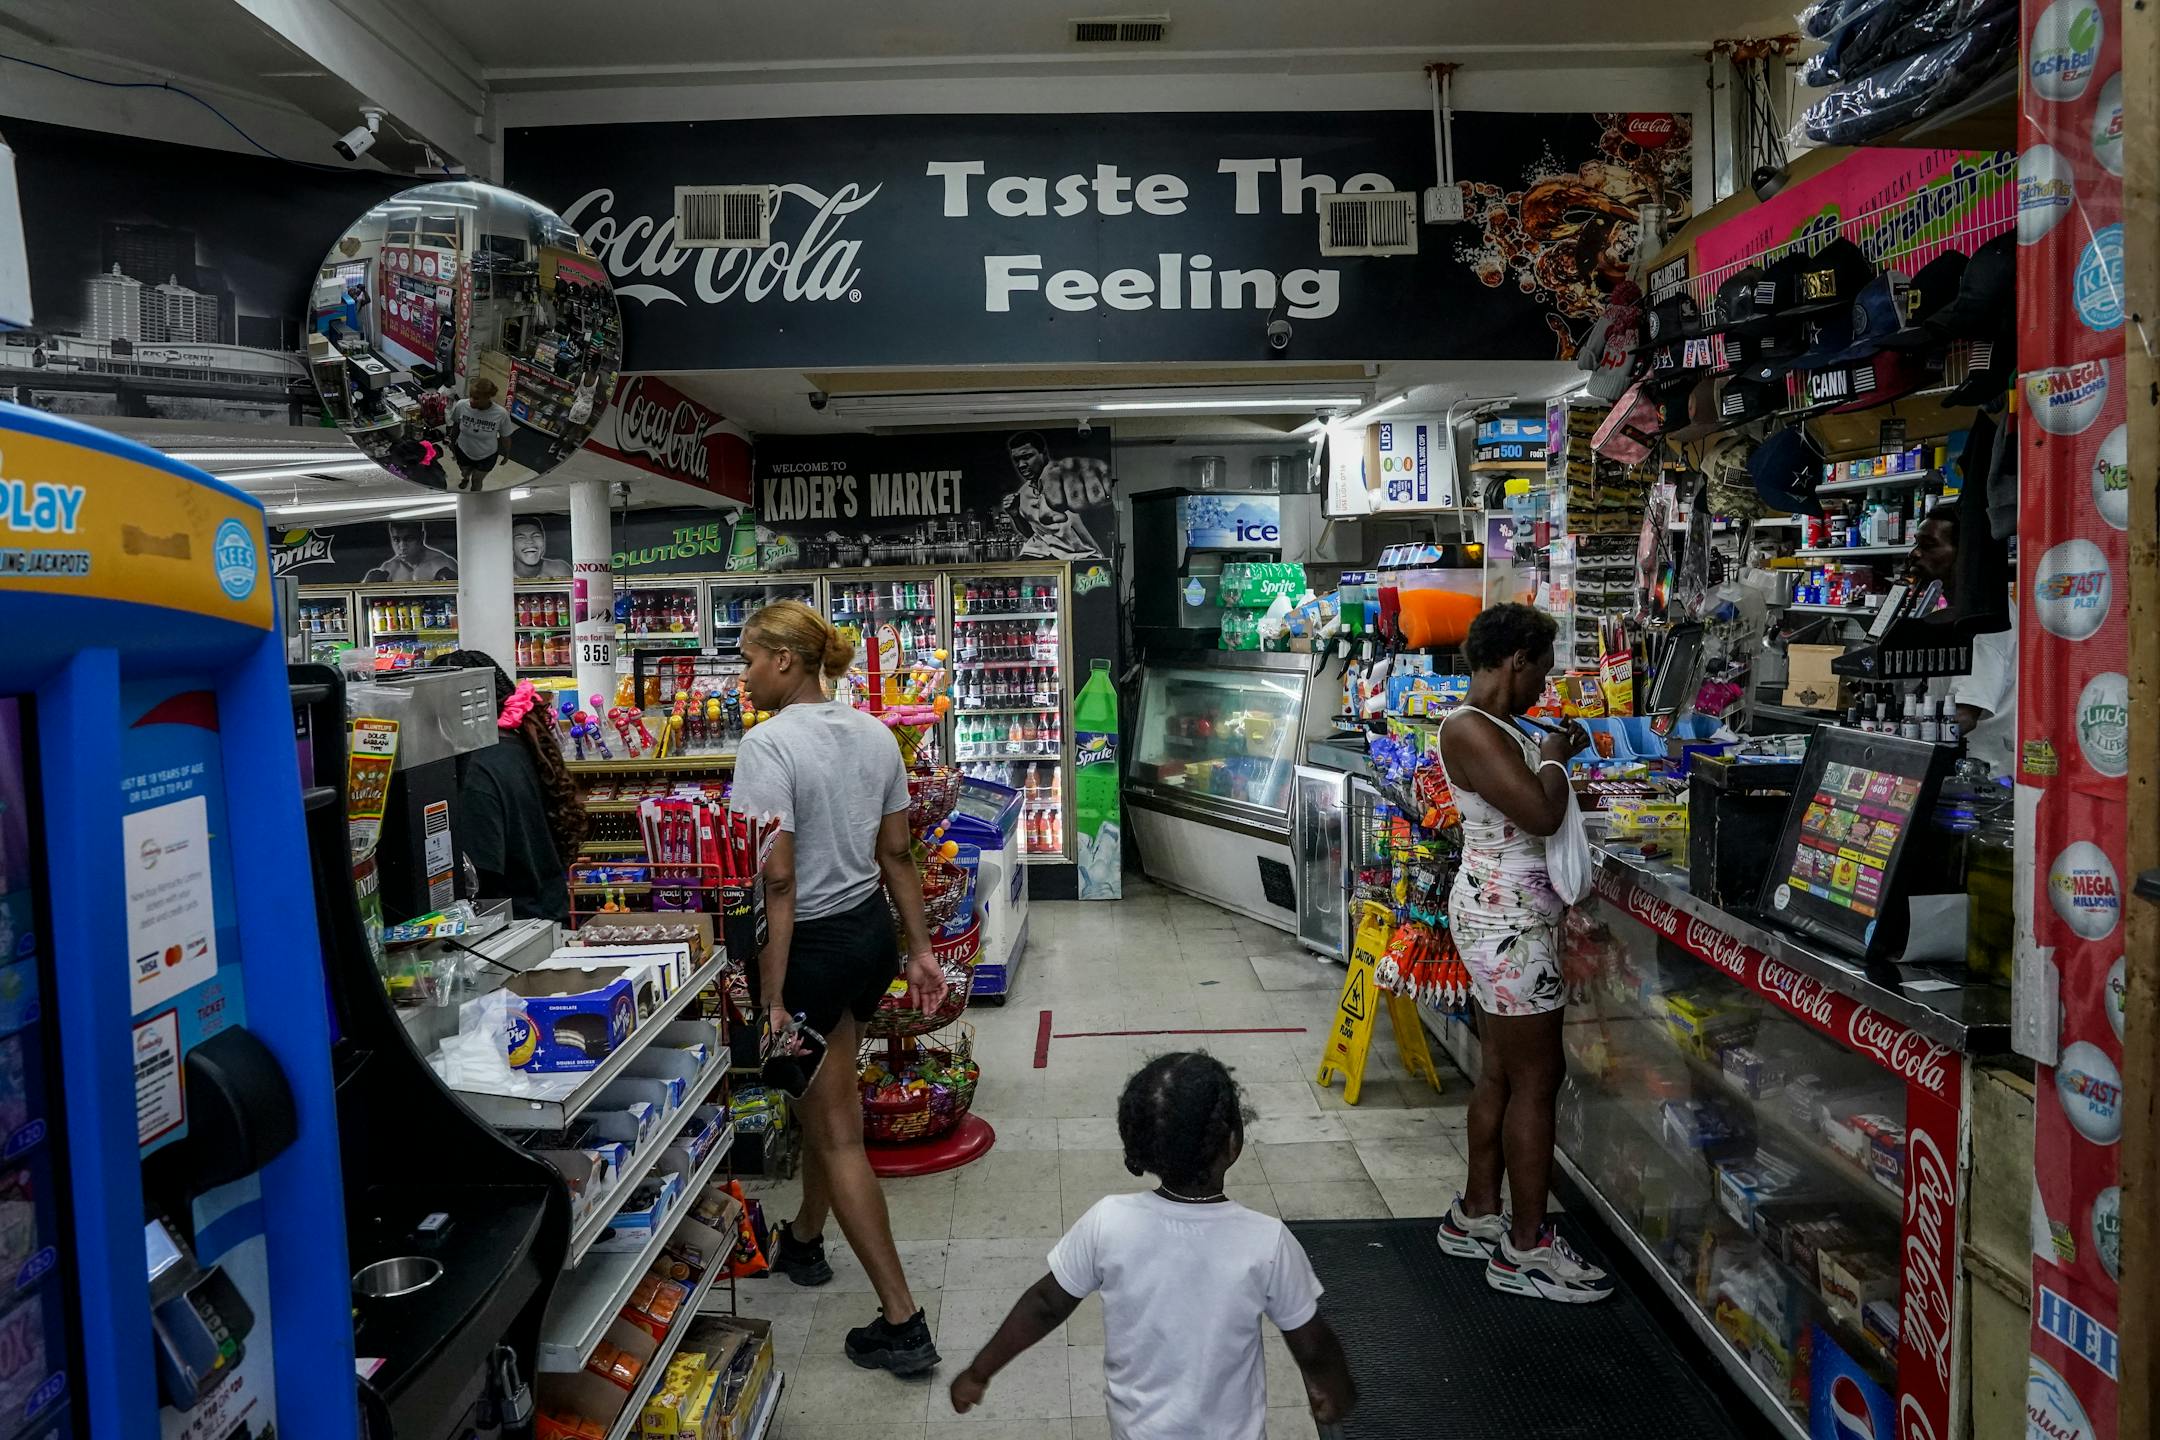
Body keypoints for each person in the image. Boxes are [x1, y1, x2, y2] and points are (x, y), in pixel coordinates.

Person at [726, 600, 948, 1375]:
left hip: (810, 948)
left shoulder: (767, 746)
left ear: (785, 660)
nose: (743, 675)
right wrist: (921, 951)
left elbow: (778, 881)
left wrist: (771, 997)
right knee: (830, 1099)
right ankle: (806, 1239)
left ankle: (903, 1322)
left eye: (749, 659)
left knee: (836, 1132)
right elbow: (897, 855)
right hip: (867, 936)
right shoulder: (874, 733)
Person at [950, 1053, 1355, 1436]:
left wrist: (979, 1372)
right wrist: (1336, 1389)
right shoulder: (1267, 1241)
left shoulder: (1109, 1221)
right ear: (1232, 1142)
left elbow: (1045, 1304)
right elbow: (1313, 1345)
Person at [1431, 602, 1612, 1303]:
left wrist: (1550, 753)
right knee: (1537, 1079)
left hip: (1502, 916)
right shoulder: (1471, 729)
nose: (1544, 683)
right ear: (1517, 661)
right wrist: (1557, 759)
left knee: (1503, 1073)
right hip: (1507, 925)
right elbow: (1540, 812)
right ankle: (1527, 1249)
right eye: (1542, 669)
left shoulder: (1494, 726)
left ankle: (1478, 1212)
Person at [432, 651, 583, 924]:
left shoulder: (476, 770)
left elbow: (479, 878)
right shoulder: (520, 744)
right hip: (547, 914)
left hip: (513, 926)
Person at [1908, 502, 2017, 776]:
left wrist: (1901, 746)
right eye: (1916, 543)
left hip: (1982, 776)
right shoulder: (1958, 610)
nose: (1915, 553)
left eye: (1929, 545)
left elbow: (1964, 716)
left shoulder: (1983, 620)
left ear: (1965, 555)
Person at [448, 377, 514, 490]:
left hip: (486, 456)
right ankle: (465, 478)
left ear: (487, 398)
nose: (471, 400)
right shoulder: (461, 405)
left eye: (476, 398)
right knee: (464, 472)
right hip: (463, 450)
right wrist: (452, 444)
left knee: (477, 480)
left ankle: (474, 498)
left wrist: (507, 454)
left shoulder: (501, 414)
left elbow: (505, 436)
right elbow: (456, 427)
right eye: (471, 396)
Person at [363, 519, 458, 581]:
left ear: (421, 537)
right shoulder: (390, 568)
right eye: (396, 540)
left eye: (408, 539)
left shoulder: (442, 563)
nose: (402, 546)